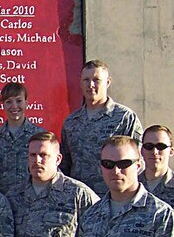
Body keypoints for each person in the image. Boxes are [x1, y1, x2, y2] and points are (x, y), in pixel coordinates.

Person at [60, 60, 142, 195]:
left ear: (108, 82)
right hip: (78, 199)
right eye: (86, 80)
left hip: (112, 197)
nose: (91, 85)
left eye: (96, 80)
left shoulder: (124, 118)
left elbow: (138, 162)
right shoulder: (71, 122)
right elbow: (65, 165)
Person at [0, 82, 46, 195]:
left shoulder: (40, 136)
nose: (14, 106)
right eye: (9, 102)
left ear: (26, 103)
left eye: (19, 101)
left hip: (31, 202)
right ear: (3, 105)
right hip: (1, 202)